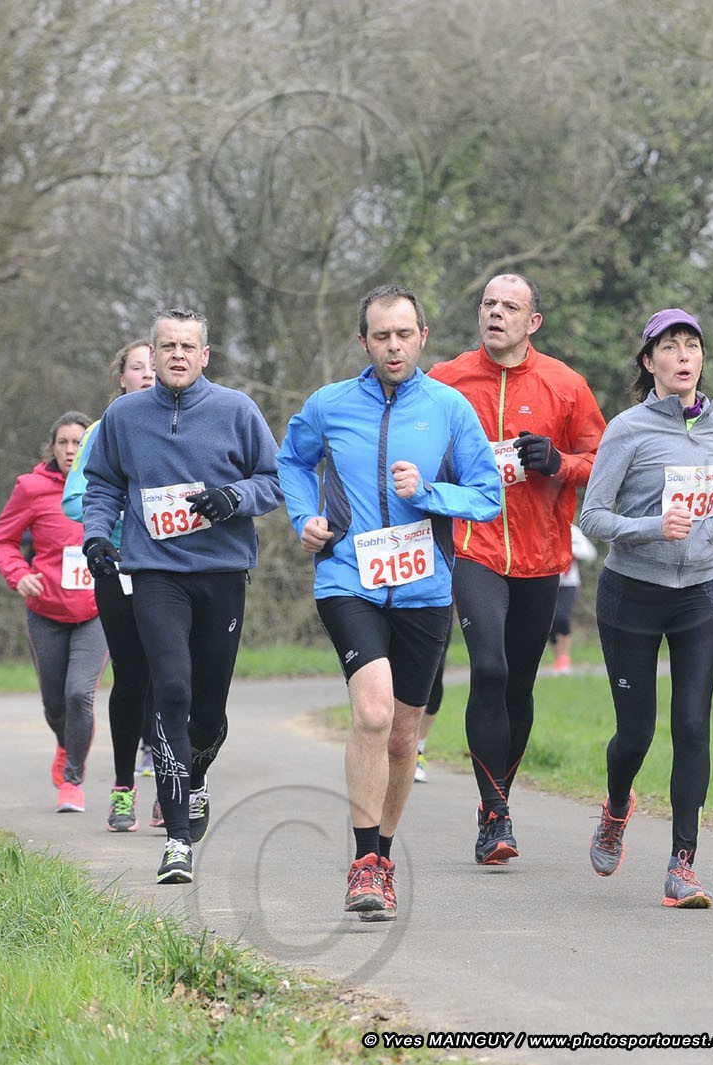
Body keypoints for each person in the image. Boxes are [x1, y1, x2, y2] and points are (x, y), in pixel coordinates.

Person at [278, 284, 502, 921]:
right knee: (373, 714)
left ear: (422, 336)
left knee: (404, 737)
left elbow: (487, 495)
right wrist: (305, 518)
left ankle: (382, 855)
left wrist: (430, 493)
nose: (394, 346)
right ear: (363, 341)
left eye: (404, 334)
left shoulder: (450, 409)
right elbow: (291, 462)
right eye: (381, 336)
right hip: (348, 579)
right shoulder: (329, 405)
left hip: (425, 587)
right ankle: (362, 862)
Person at [79, 307, 284, 885]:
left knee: (209, 710)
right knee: (170, 689)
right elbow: (103, 484)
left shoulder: (236, 410)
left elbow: (275, 480)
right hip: (156, 573)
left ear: (205, 355)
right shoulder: (124, 416)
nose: (176, 355)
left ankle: (195, 777)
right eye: (167, 345)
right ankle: (175, 841)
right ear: (153, 353)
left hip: (221, 573)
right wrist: (96, 536)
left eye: (187, 346)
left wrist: (233, 498)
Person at [426, 273, 606, 864]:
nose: (495, 313)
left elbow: (602, 460)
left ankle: (495, 802)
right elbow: (412, 447)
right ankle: (495, 813)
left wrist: (558, 463)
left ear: (533, 322)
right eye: (488, 303)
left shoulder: (565, 385)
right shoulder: (446, 379)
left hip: (541, 554)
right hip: (472, 546)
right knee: (490, 668)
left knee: (520, 683)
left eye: (510, 306)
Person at [578, 308, 713, 908]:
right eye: (671, 347)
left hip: (701, 591)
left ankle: (683, 865)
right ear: (649, 361)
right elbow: (592, 517)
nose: (683, 356)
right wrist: (652, 526)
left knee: (693, 726)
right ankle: (616, 808)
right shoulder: (626, 429)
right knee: (636, 734)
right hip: (632, 592)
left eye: (692, 346)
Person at [64, 339, 161, 833]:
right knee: (131, 677)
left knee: (174, 678)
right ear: (121, 378)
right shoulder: (102, 430)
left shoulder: (181, 424)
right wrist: (124, 516)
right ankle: (124, 787)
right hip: (118, 566)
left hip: (173, 566)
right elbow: (74, 500)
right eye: (137, 367)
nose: (148, 374)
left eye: (153, 366)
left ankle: (173, 787)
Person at [0, 410, 107, 814]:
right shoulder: (31, 488)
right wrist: (19, 575)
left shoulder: (106, 482)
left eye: (78, 442)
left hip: (96, 610)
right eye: (63, 442)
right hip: (45, 610)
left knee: (79, 695)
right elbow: (2, 540)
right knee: (55, 705)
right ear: (52, 447)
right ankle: (65, 743)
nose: (71, 450)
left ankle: (73, 781)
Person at [549, 524, 597, 673]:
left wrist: (567, 548)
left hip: (568, 583)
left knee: (562, 617)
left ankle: (564, 657)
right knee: (549, 621)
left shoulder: (572, 530)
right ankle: (558, 658)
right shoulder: (542, 525)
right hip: (546, 581)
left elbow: (590, 553)